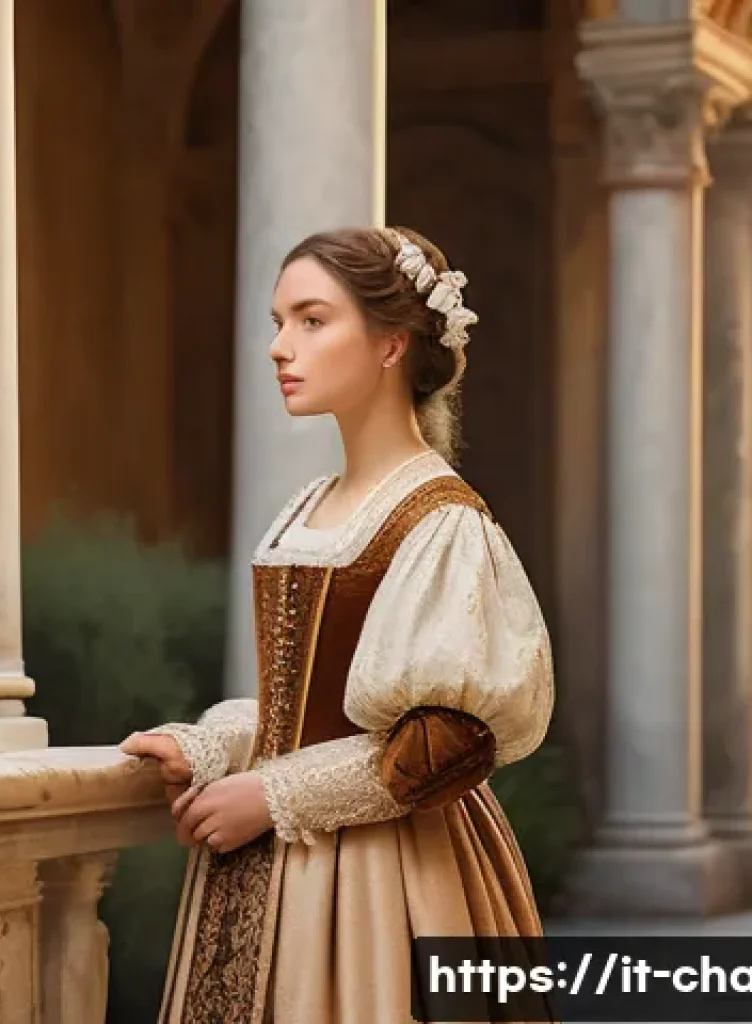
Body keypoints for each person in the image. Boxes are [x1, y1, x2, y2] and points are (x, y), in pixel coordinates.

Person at [120, 226, 555, 1024]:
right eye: (278, 322)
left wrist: (274, 794)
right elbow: (304, 705)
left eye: (312, 321)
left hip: (388, 882)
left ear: (392, 344)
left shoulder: (441, 520)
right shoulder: (310, 504)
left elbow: (445, 746)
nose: (281, 347)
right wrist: (212, 743)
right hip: (267, 859)